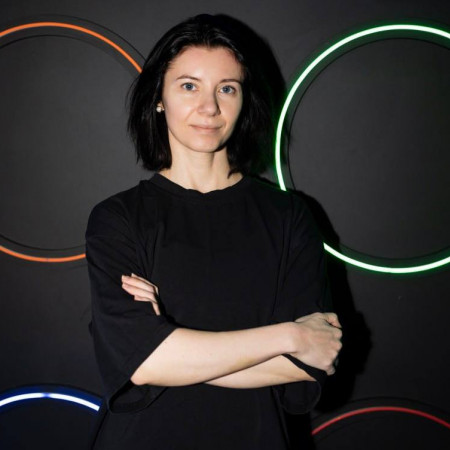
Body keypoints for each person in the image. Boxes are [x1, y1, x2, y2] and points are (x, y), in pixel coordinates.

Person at [85, 13, 342, 450]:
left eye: (227, 88)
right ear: (159, 98)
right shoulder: (118, 218)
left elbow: (312, 363)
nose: (209, 108)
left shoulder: (288, 216)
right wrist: (290, 336)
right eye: (189, 86)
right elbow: (145, 363)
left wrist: (168, 350)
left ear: (244, 100)